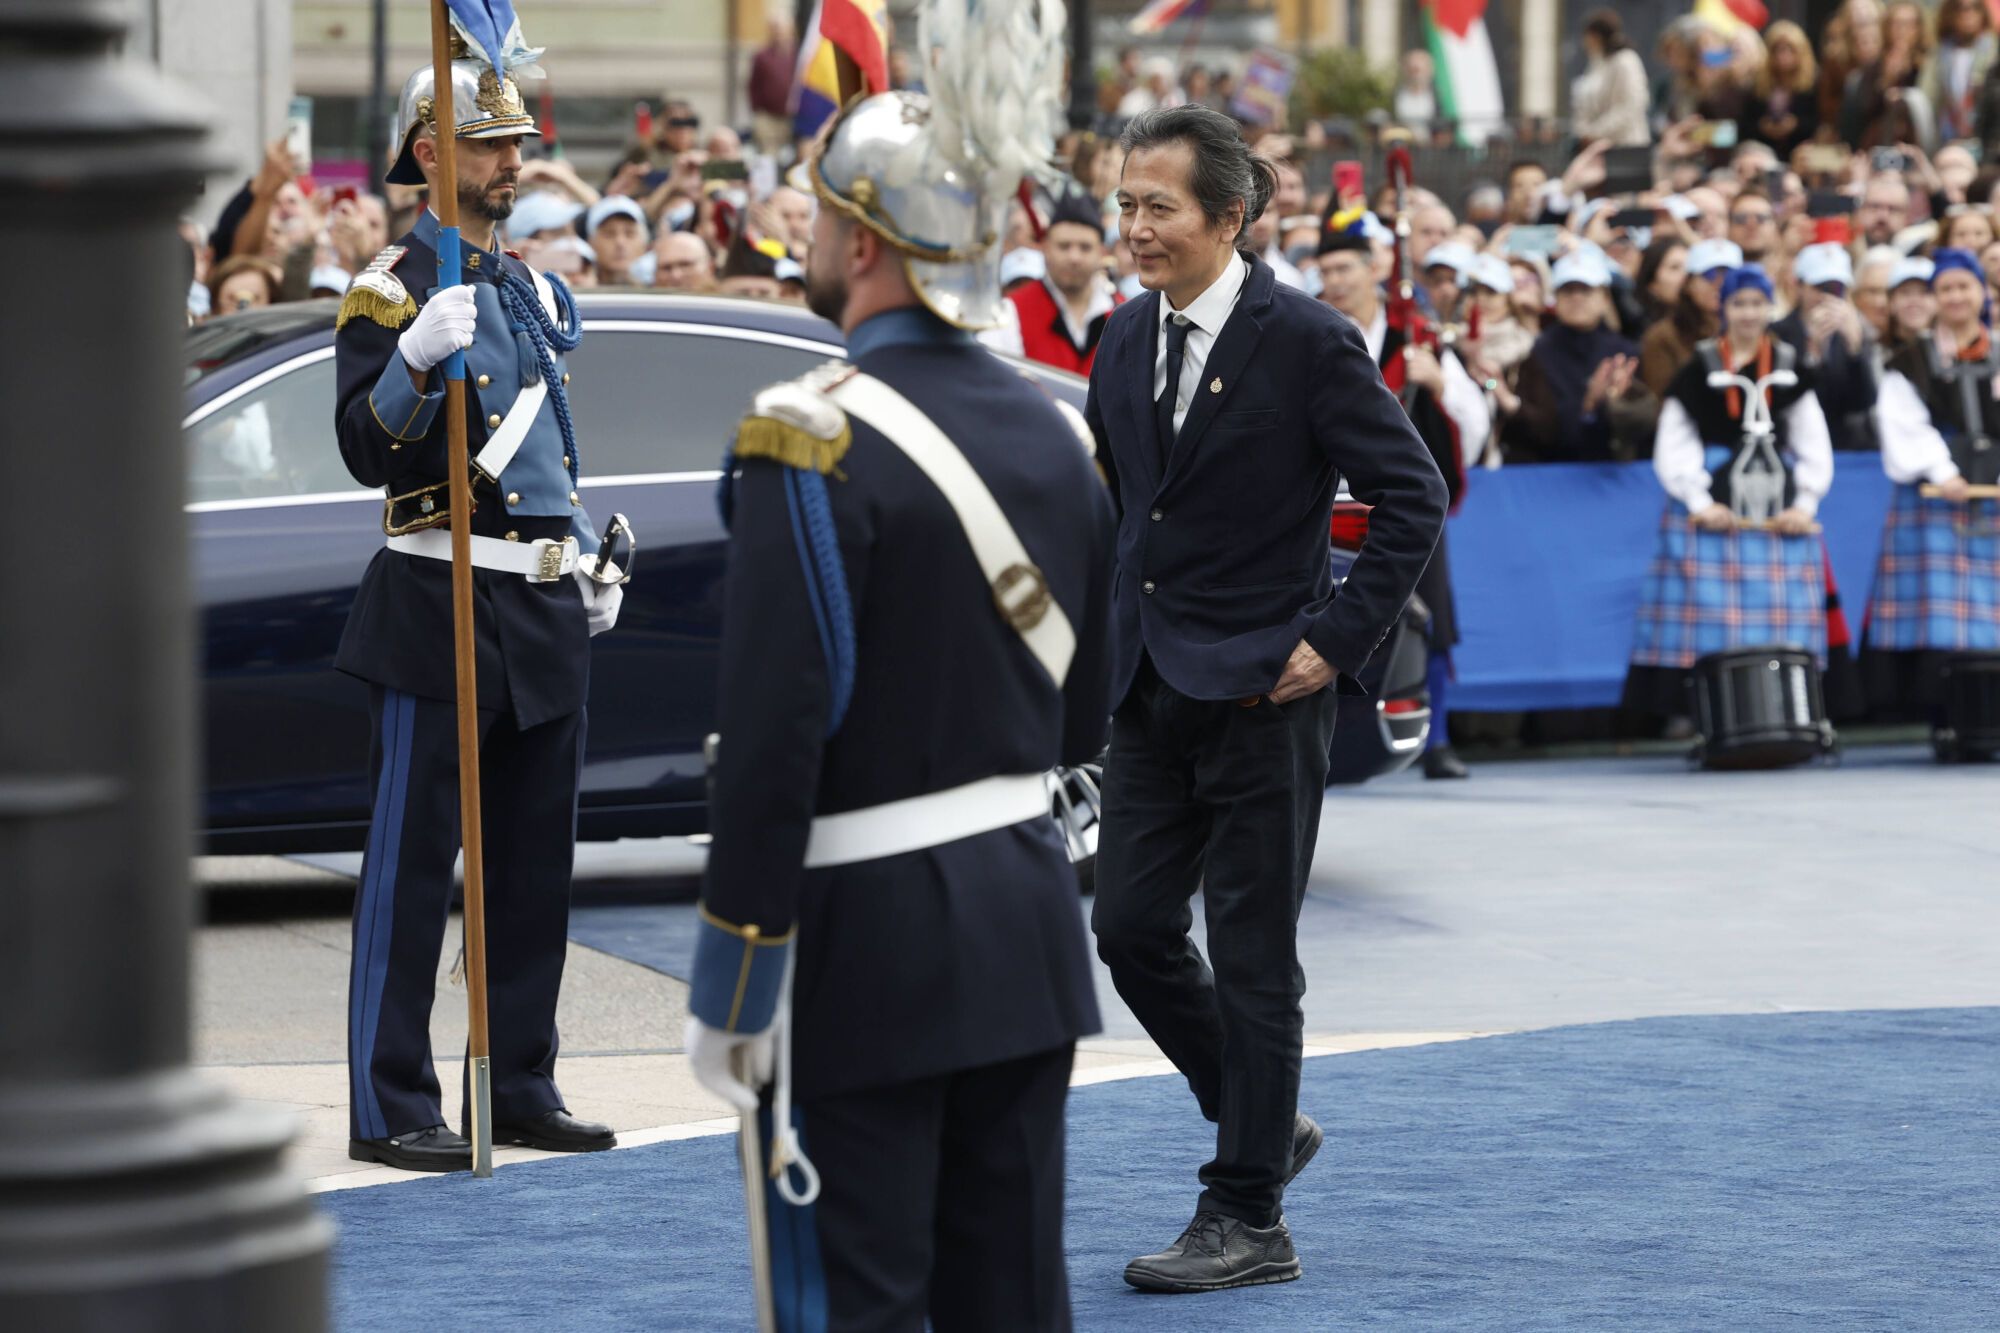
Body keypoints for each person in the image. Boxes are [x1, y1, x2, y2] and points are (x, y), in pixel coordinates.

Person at [682, 10, 1115, 1324]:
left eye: (818, 219)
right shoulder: (1060, 431)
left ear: (866, 244)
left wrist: (737, 975)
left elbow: (773, 733)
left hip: (867, 944)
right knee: (1012, 1296)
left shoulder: (807, 438)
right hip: (1029, 924)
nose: (808, 241)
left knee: (857, 1298)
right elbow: (1085, 710)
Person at [1087, 104, 1446, 1292]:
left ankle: (1247, 1214)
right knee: (1128, 930)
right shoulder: (1112, 338)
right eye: (1125, 203)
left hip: (1262, 690)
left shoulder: (1307, 340)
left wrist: (1335, 640)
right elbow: (1124, 512)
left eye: (1158, 208)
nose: (1132, 228)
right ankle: (1259, 1117)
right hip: (1147, 688)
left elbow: (1413, 495)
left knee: (1251, 956)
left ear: (1228, 218)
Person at [333, 39, 623, 1173]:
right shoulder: (394, 288)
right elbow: (365, 448)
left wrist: (581, 555)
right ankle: (389, 1098)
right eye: (491, 143)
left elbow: (546, 450)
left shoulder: (539, 289)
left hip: (539, 608)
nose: (514, 161)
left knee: (531, 867)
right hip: (435, 597)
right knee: (411, 868)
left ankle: (518, 1079)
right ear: (428, 151)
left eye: (516, 144)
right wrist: (409, 359)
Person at [1319, 213, 1488, 780]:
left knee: (1430, 615)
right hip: (1333, 500)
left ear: (1375, 270)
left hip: (1405, 500)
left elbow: (1472, 418)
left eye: (1345, 267)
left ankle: (1435, 738)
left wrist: (1437, 382)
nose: (1336, 280)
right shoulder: (1313, 331)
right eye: (1326, 270)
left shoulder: (1414, 335)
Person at [1624, 264, 1835, 716]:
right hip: (1712, 511)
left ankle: (1787, 712)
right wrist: (1698, 500)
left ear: (1769, 308)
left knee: (1784, 623)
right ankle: (1704, 713)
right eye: (1739, 303)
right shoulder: (1699, 366)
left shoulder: (1788, 367)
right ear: (1724, 309)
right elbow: (1675, 442)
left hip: (1778, 511)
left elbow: (1812, 440)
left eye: (1757, 303)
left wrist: (1805, 502)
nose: (1748, 313)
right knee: (1705, 625)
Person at [1863, 247, 2000, 713]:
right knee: (1944, 622)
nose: (1957, 296)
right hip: (1937, 498)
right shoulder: (1911, 359)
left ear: (1983, 291)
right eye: (1946, 288)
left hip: (1995, 494)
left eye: (1965, 286)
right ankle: (1954, 715)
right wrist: (1944, 472)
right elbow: (1902, 424)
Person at [1505, 247, 1657, 461]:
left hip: (1615, 471)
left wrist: (1616, 407)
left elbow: (1644, 430)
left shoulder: (1626, 352)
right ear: (1555, 298)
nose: (1576, 297)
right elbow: (1533, 430)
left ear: (1604, 298)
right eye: (1568, 290)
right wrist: (1587, 408)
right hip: (1553, 473)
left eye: (1585, 289)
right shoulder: (1536, 353)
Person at [1774, 242, 1880, 453]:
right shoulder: (1776, 334)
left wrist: (1855, 350)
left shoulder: (1855, 331)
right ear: (1799, 286)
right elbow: (1783, 401)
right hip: (1791, 445)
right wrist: (1812, 355)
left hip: (1845, 447)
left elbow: (1864, 401)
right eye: (1820, 287)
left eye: (1836, 288)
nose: (1828, 296)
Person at [1011, 188, 1122, 374]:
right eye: (1064, 246)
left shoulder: (1125, 315)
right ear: (1045, 248)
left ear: (1102, 252)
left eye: (1085, 248)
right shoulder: (1012, 312)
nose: (1074, 257)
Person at [1573, 9, 1653, 147]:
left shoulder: (1626, 60)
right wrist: (1584, 131)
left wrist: (1596, 132)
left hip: (1626, 145)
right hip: (1599, 146)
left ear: (1596, 36)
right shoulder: (1597, 63)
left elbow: (1632, 106)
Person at [1923, 0, 1996, 143]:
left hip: (1986, 136)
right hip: (1946, 135)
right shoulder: (1940, 54)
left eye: (1974, 7)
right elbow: (1927, 96)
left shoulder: (1993, 49)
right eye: (1960, 8)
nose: (1967, 14)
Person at [1748, 21, 1822, 160]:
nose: (1783, 55)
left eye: (1789, 49)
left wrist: (1796, 124)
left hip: (1801, 151)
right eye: (1778, 49)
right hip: (1765, 152)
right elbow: (1747, 122)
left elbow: (1819, 121)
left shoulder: (1813, 83)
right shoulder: (1759, 85)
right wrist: (1763, 126)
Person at [584, 196, 648, 285]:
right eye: (609, 234)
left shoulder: (663, 293)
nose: (620, 242)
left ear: (644, 243)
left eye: (630, 233)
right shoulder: (572, 295)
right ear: (591, 243)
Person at [1885, 254, 1937, 347]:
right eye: (1905, 292)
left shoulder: (1955, 351)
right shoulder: (1872, 355)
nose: (1914, 301)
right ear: (1891, 302)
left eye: (1924, 292)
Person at [649, 231, 717, 292]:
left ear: (710, 268)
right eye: (666, 268)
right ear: (655, 275)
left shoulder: (725, 303)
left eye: (685, 265)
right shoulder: (642, 303)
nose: (675, 275)